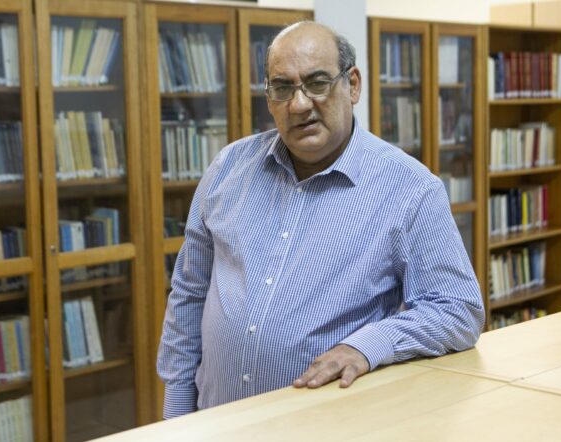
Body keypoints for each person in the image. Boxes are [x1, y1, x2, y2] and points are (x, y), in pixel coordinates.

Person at [157, 21, 485, 419]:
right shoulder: (228, 168)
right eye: (283, 88)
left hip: (327, 427)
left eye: (317, 83)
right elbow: (190, 293)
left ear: (353, 85)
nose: (299, 104)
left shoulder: (410, 189)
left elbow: (457, 309)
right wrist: (177, 413)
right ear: (269, 98)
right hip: (216, 421)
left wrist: (368, 345)